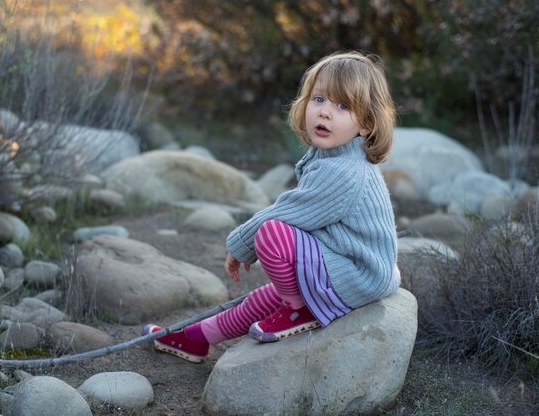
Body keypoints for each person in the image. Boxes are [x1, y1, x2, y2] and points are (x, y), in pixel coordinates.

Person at [142, 51, 400, 363]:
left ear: (366, 125)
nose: (325, 113)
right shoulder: (336, 156)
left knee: (271, 233)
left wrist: (241, 244)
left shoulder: (344, 172)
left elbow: (288, 212)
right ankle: (196, 338)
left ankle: (299, 310)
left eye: (342, 106)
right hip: (347, 262)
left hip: (360, 274)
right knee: (262, 299)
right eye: (319, 99)